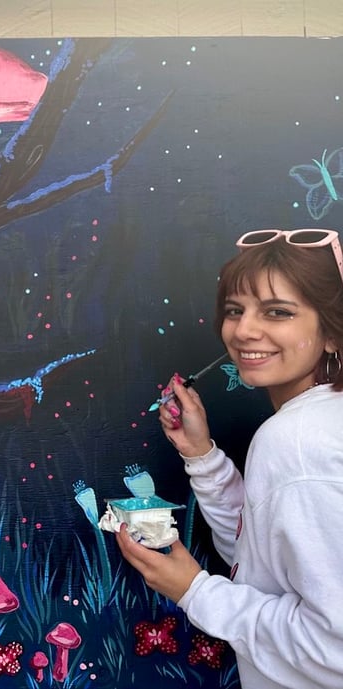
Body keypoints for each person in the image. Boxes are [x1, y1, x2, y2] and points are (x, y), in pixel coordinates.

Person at [116, 228, 343, 689]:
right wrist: (201, 456)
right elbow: (262, 560)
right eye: (235, 310)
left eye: (277, 312)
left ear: (333, 332)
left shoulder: (296, 441)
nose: (243, 330)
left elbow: (333, 649)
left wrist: (196, 591)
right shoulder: (318, 423)